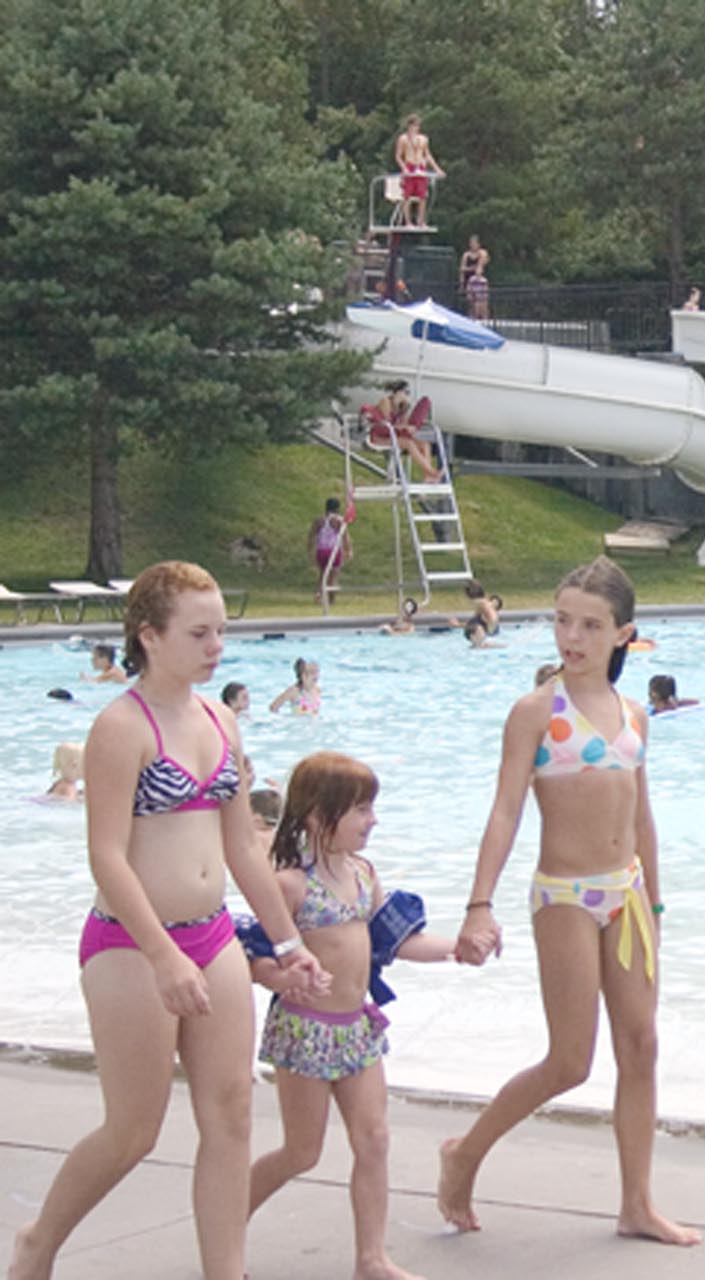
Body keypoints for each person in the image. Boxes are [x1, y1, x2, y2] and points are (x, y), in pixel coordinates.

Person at [9, 562, 328, 1280]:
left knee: (233, 1115)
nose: (217, 645)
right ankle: (39, 1241)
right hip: (131, 943)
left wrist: (287, 941)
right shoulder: (121, 728)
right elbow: (107, 858)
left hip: (212, 936)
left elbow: (243, 848)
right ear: (149, 635)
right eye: (199, 632)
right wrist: (161, 956)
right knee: (134, 1130)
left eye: (221, 630)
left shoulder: (222, 719)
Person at [441, 557, 698, 1245]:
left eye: (590, 624)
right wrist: (478, 904)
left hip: (629, 896)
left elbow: (642, 820)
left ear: (624, 634)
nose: (572, 637)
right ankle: (464, 1153)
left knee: (641, 1047)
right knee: (570, 1061)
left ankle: (636, 1204)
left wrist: (659, 906)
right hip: (564, 897)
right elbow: (504, 813)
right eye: (562, 620)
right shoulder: (535, 712)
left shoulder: (634, 715)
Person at [246, 752, 457, 1280]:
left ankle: (372, 1259)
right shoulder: (291, 884)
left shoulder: (363, 874)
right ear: (318, 815)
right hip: (305, 1030)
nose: (372, 820)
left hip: (356, 1027)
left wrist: (459, 947)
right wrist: (280, 977)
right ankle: (224, 1223)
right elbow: (251, 954)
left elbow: (398, 942)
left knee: (375, 1140)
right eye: (361, 809)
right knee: (301, 1151)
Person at [392, 114, 444, 229]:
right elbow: (398, 156)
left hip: (420, 167)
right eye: (413, 125)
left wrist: (437, 169)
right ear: (409, 126)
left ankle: (421, 221)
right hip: (409, 166)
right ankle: (408, 222)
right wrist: (403, 168)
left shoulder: (423, 139)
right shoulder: (403, 139)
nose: (415, 128)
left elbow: (428, 155)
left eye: (417, 126)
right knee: (407, 196)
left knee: (423, 195)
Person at [310, 498, 353, 606]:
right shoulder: (339, 520)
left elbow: (311, 536)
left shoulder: (319, 520)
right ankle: (331, 600)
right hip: (333, 550)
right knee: (333, 576)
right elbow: (345, 536)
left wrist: (310, 549)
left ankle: (319, 593)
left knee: (322, 574)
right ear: (337, 508)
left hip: (321, 550)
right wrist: (348, 549)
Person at [458, 235, 490, 321]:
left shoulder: (482, 253)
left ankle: (484, 320)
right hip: (469, 282)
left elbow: (481, 264)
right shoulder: (466, 255)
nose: (472, 245)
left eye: (474, 243)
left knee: (482, 302)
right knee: (471, 304)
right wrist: (461, 284)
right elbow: (462, 269)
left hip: (480, 282)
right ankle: (472, 319)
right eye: (471, 243)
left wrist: (471, 268)